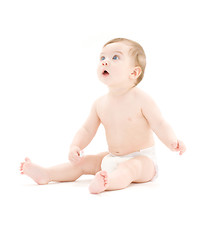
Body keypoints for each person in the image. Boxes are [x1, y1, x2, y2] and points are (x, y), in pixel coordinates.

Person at [20, 38, 186, 194]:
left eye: (115, 57)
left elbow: (160, 123)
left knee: (129, 169)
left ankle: (108, 182)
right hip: (112, 157)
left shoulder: (141, 99)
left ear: (134, 72)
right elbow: (86, 129)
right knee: (83, 163)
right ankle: (47, 174)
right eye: (102, 58)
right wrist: (75, 146)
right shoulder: (100, 103)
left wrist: (172, 141)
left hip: (143, 160)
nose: (105, 61)